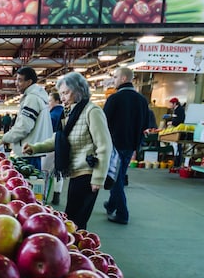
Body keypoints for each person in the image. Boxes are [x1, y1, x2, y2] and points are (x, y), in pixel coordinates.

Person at [24, 72, 112, 231]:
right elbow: (58, 139)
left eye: (65, 92)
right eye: (61, 93)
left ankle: (75, 249)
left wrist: (98, 178)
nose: (62, 97)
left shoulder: (92, 111)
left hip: (88, 173)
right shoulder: (70, 113)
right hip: (76, 172)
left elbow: (104, 146)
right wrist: (35, 148)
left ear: (78, 90)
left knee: (76, 220)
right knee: (72, 218)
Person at [102, 67, 152, 225]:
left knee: (116, 178)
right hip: (131, 145)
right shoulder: (142, 100)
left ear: (124, 78)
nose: (114, 80)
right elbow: (145, 124)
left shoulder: (114, 99)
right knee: (120, 174)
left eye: (116, 77)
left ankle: (123, 214)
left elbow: (104, 122)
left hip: (115, 145)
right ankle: (111, 204)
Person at [2, 66, 53, 171]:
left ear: (29, 82)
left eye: (20, 80)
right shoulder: (36, 96)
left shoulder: (32, 98)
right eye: (16, 79)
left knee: (29, 183)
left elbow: (24, 127)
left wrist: (4, 138)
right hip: (32, 151)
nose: (16, 83)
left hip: (28, 152)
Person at [47, 91, 64, 205]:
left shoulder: (51, 115)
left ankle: (43, 195)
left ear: (57, 101)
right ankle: (57, 195)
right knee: (59, 172)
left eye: (50, 101)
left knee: (46, 172)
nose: (48, 103)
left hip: (50, 145)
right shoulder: (66, 112)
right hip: (63, 146)